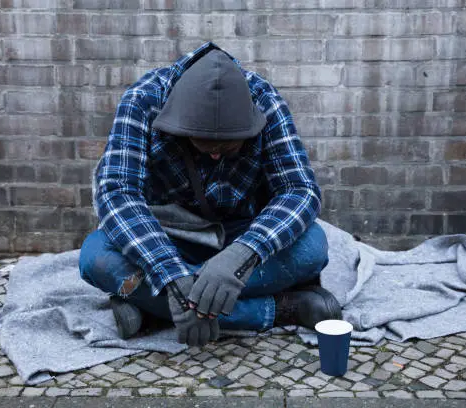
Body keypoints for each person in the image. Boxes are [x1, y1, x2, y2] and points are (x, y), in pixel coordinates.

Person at [78, 42, 341, 347]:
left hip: (243, 231)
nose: (216, 157)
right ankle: (279, 309)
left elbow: (300, 190)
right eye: (204, 144)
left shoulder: (265, 101)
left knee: (314, 247)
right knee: (95, 257)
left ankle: (154, 307)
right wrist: (172, 276)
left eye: (229, 146)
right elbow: (117, 193)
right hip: (167, 236)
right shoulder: (142, 100)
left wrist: (241, 257)